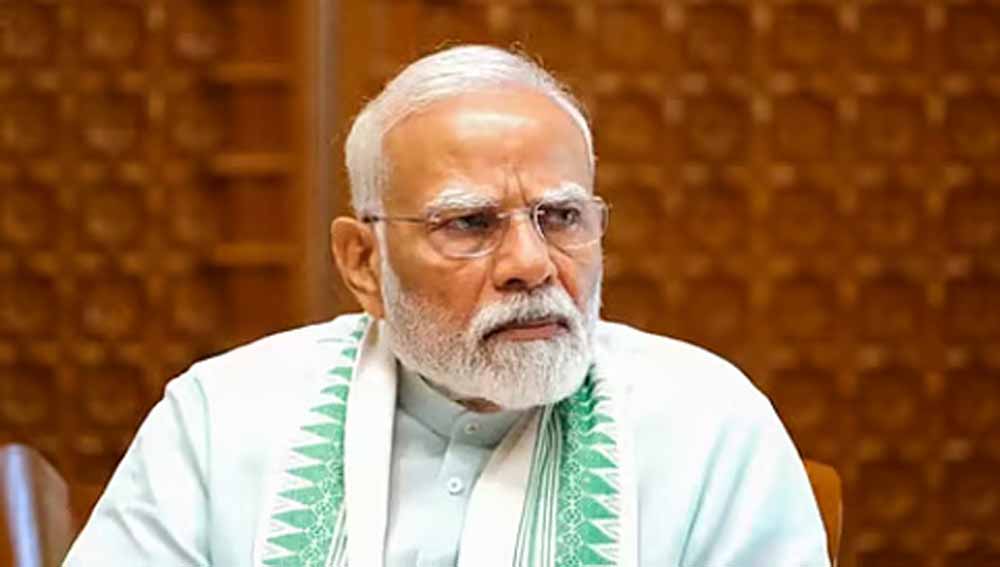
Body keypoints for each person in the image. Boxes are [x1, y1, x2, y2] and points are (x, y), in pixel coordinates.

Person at [64, 45, 829, 566]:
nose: (531, 264)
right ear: (363, 262)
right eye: (469, 223)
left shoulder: (710, 428)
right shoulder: (221, 419)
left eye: (562, 217)